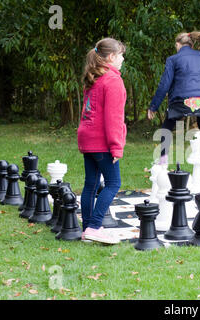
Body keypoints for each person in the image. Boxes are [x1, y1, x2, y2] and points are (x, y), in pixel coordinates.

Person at [148, 30, 200, 167]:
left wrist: (153, 106)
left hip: (183, 100)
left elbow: (165, 84)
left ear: (178, 44)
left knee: (168, 125)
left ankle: (163, 159)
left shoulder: (173, 59)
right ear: (192, 45)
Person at [77, 38, 127, 244]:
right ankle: (95, 225)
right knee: (114, 183)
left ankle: (88, 228)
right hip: (102, 140)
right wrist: (116, 147)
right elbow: (113, 118)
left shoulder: (94, 78)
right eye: (121, 55)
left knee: (91, 184)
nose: (123, 59)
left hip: (87, 137)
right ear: (111, 56)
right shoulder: (112, 80)